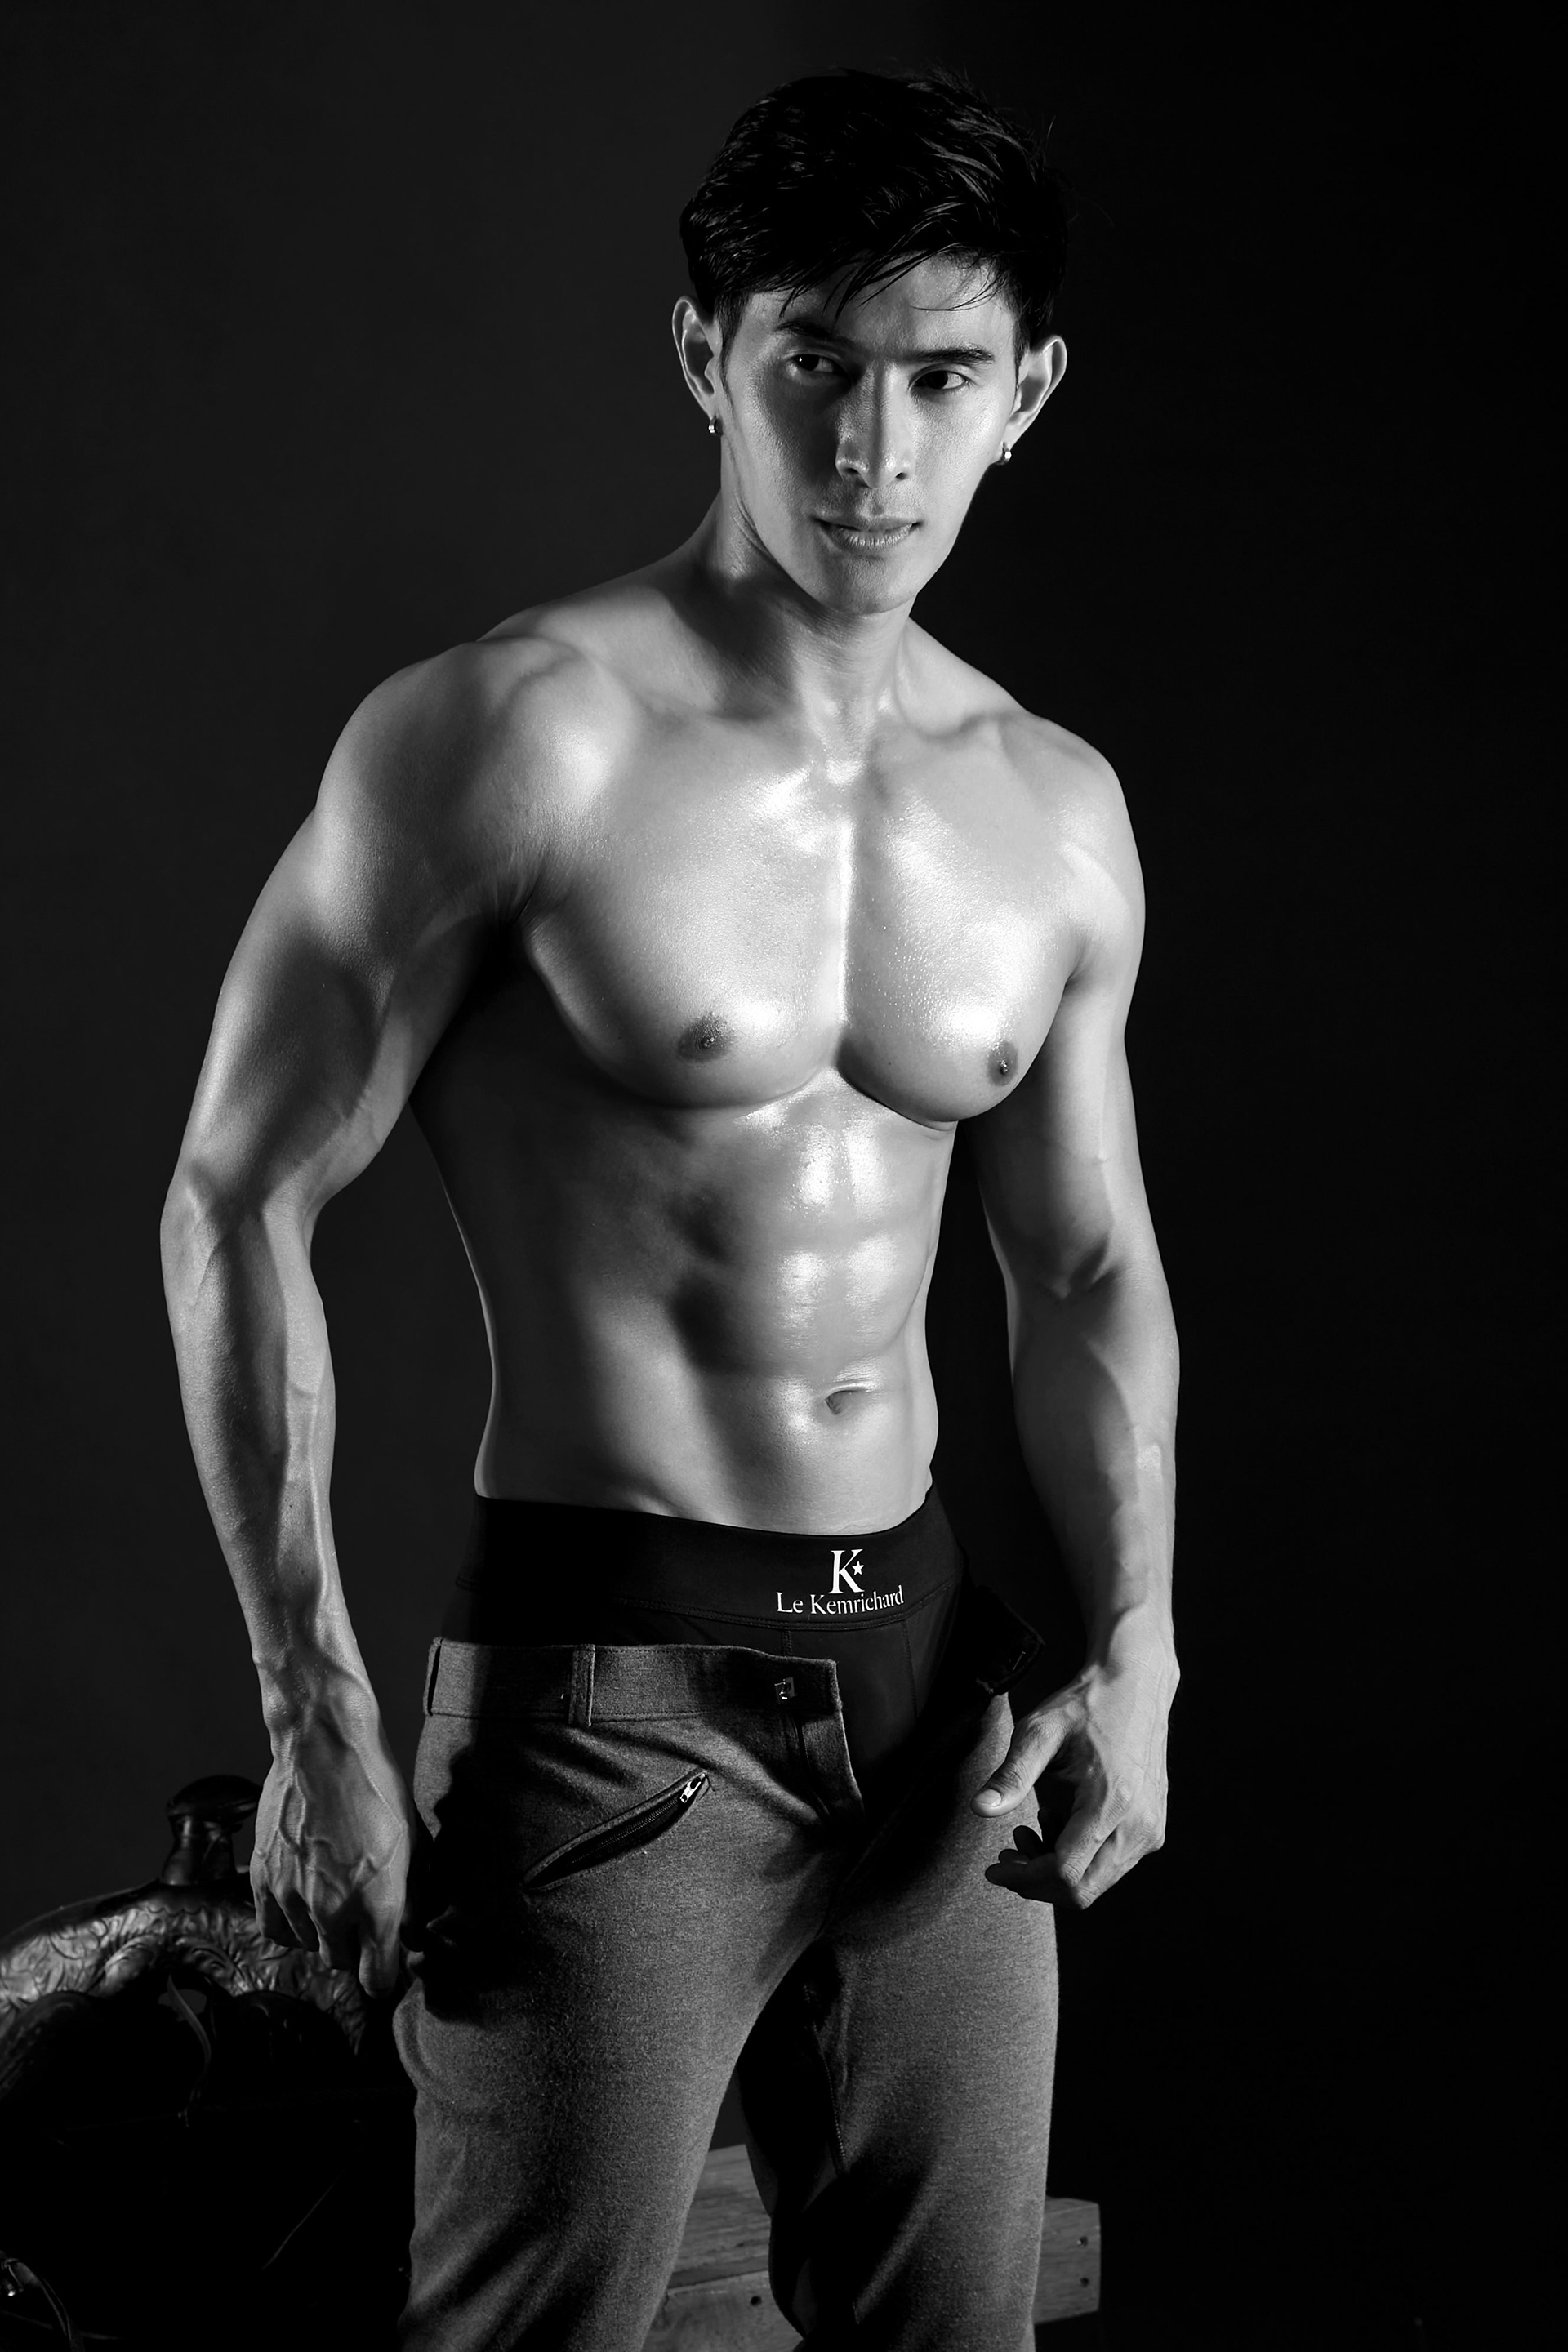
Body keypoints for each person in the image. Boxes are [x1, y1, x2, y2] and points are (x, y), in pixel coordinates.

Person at [161, 65, 1178, 2352]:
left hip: (947, 1706)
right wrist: (317, 1709)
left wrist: (1142, 1643)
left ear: (1028, 393)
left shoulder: (1054, 808)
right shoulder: (510, 737)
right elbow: (233, 1195)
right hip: (606, 1722)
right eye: (817, 363)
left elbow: (1086, 1265)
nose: (874, 450)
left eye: (939, 380)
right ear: (708, 356)